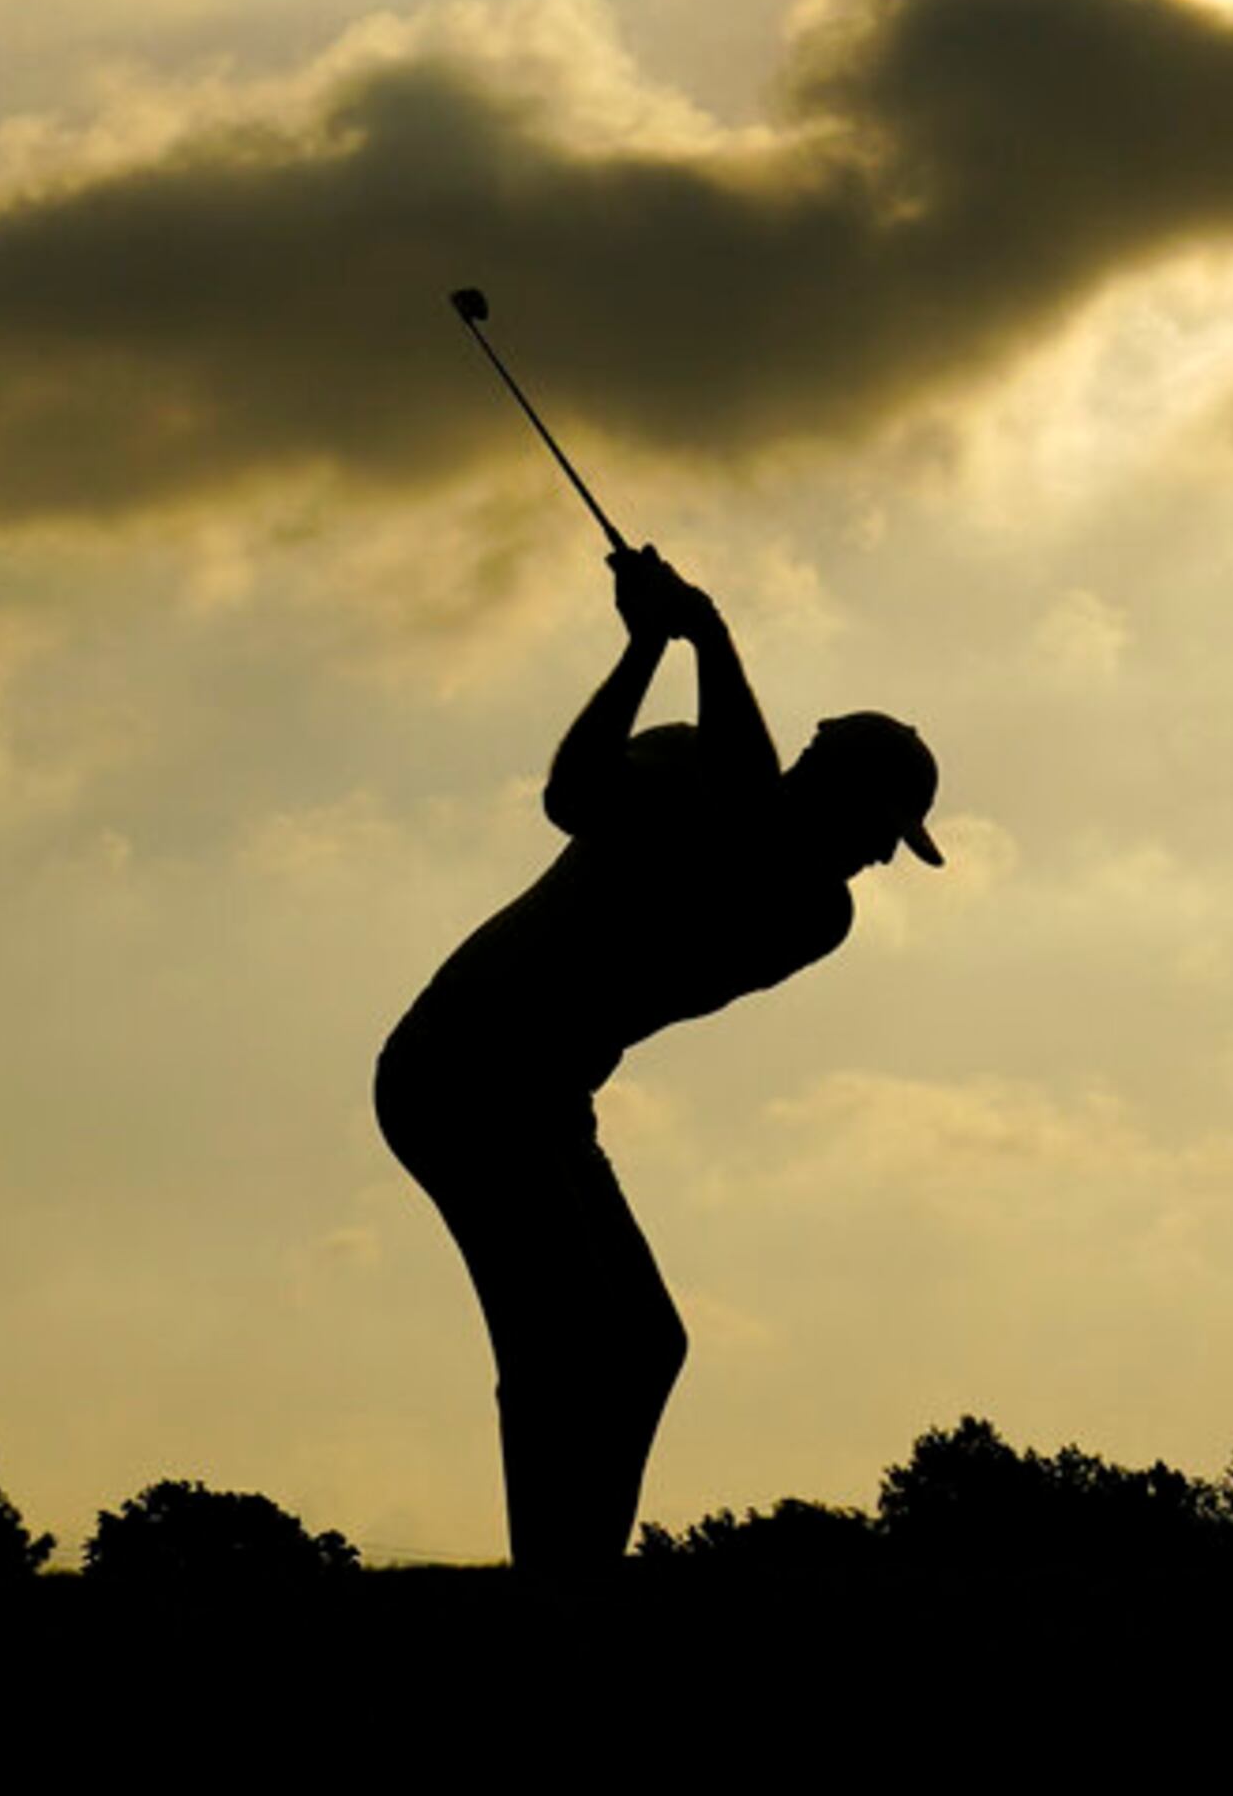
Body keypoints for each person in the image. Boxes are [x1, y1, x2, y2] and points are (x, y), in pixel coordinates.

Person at [375, 543, 941, 1576]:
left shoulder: (814, 912)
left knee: (642, 1345)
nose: (877, 857)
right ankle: (561, 1579)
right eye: (880, 830)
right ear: (838, 788)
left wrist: (707, 636)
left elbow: (750, 836)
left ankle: (577, 1563)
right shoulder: (688, 760)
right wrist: (648, 645)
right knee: (569, 1342)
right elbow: (574, 794)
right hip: (461, 1064)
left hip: (540, 1093)